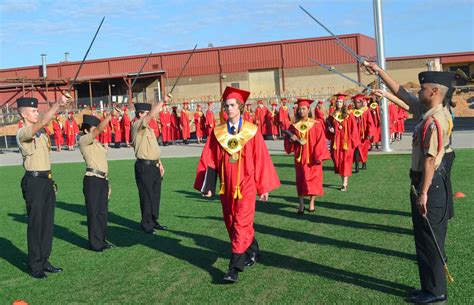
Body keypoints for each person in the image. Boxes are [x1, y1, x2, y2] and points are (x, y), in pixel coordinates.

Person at [366, 62, 455, 304]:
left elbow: (429, 160)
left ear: (434, 92)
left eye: (422, 88)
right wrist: (379, 71)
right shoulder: (432, 111)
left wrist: (423, 193)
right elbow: (402, 93)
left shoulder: (433, 120)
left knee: (429, 240)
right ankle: (429, 287)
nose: (418, 91)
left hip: (430, 185)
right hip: (431, 184)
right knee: (425, 239)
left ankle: (436, 292)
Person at [194, 86, 280, 283]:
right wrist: (208, 186)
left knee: (241, 223)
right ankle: (253, 249)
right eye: (226, 106)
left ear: (240, 107)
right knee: (232, 224)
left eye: (232, 105)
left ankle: (234, 268)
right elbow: (210, 159)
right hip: (226, 186)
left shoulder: (252, 131)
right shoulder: (218, 133)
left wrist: (263, 186)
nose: (229, 109)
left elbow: (261, 159)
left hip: (246, 185)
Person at [16, 96, 69, 279]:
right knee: (36, 224)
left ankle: (44, 260)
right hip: (34, 182)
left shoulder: (41, 134)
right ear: (23, 114)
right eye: (33, 111)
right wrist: (56, 104)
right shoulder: (23, 132)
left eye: (37, 110)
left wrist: (60, 106)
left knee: (47, 224)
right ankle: (35, 264)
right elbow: (43, 122)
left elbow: (47, 122)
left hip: (46, 181)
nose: (36, 112)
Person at [284, 98, 330, 214]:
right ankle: (301, 204)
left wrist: (319, 156)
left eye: (303, 109)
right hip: (300, 159)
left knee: (314, 181)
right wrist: (292, 139)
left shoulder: (316, 125)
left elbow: (321, 141)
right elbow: (288, 143)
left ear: (308, 109)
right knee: (301, 180)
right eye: (299, 109)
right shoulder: (294, 126)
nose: (301, 111)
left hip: (313, 158)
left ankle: (311, 203)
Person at [79, 114, 114, 252]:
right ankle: (95, 244)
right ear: (87, 130)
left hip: (102, 179)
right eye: (93, 128)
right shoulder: (84, 140)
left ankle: (102, 240)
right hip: (92, 179)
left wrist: (107, 181)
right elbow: (99, 130)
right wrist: (110, 117)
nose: (97, 130)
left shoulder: (97, 143)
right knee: (93, 212)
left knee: (102, 212)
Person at [131, 100, 167, 234]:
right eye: (146, 113)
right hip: (144, 166)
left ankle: (153, 220)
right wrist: (163, 102)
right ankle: (146, 223)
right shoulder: (137, 126)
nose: (150, 115)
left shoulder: (149, 129)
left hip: (154, 165)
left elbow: (154, 149)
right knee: (146, 196)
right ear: (140, 114)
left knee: (155, 195)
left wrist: (160, 164)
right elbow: (152, 115)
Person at [326, 93, 360, 191]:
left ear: (343, 103)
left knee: (346, 162)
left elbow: (354, 129)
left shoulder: (349, 115)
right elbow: (327, 125)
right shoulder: (333, 115)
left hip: (346, 143)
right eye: (338, 101)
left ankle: (345, 183)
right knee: (338, 162)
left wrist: (354, 142)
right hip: (336, 143)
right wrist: (330, 129)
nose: (339, 103)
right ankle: (343, 181)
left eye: (341, 101)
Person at [351, 94, 374, 172]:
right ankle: (357, 166)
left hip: (364, 135)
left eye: (358, 102)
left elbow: (370, 123)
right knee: (356, 149)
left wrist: (370, 133)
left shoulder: (366, 111)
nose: (356, 104)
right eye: (355, 102)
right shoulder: (352, 112)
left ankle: (364, 163)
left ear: (361, 102)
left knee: (364, 150)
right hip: (354, 135)